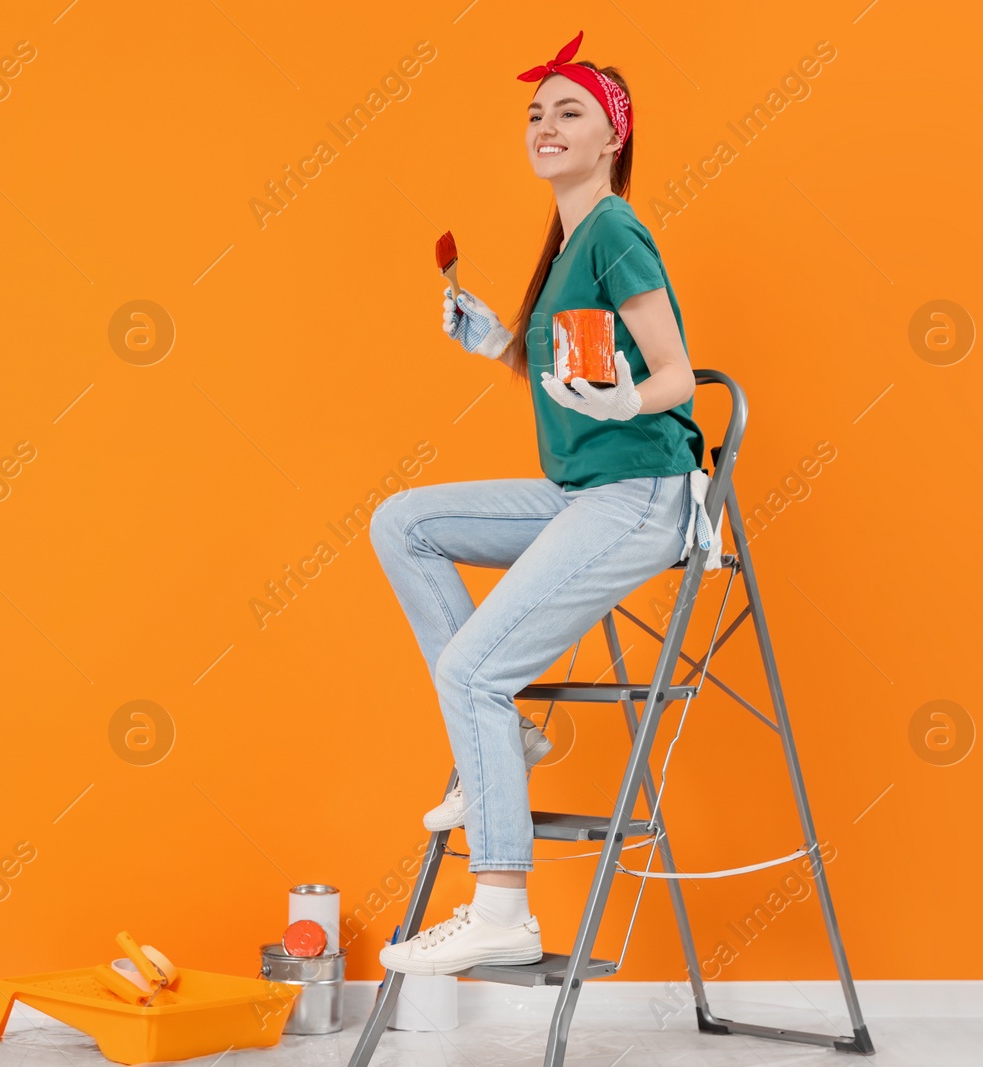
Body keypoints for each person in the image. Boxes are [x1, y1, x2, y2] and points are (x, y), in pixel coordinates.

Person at [371, 30, 708, 975]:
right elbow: (568, 368)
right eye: (535, 113)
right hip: (582, 491)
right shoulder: (566, 241)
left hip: (641, 494)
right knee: (403, 522)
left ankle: (502, 907)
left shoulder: (613, 228)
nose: (546, 126)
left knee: (473, 669)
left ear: (612, 139)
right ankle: (509, 737)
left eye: (570, 113)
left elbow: (676, 373)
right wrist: (497, 345)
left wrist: (629, 401)